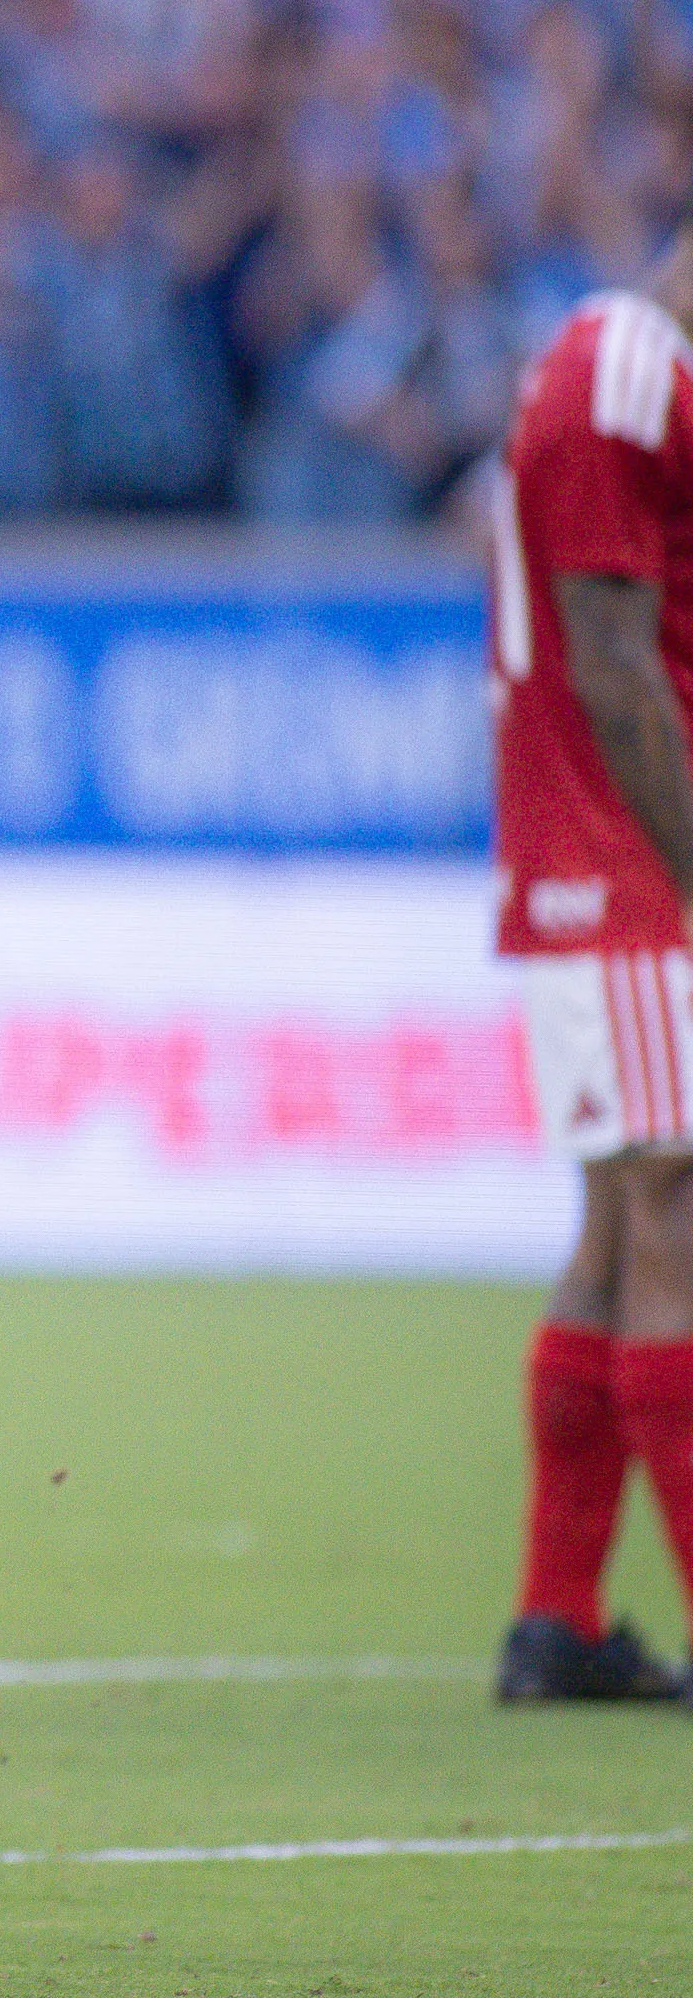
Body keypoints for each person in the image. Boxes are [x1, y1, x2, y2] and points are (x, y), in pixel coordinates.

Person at [488, 234, 693, 1708]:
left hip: (589, 873)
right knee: (678, 1213)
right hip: (633, 874)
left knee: (624, 1226)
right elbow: (616, 664)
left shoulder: (605, 360)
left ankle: (556, 1618)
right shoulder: (628, 369)